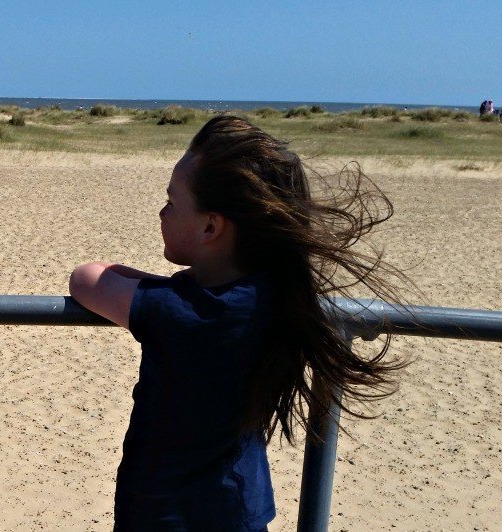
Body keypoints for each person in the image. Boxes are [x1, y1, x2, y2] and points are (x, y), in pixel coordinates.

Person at [69, 116, 408, 531]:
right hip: (239, 510)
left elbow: (89, 278)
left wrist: (168, 289)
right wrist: (174, 289)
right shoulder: (274, 294)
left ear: (211, 226)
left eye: (172, 202)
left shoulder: (185, 313)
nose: (162, 211)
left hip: (165, 517)